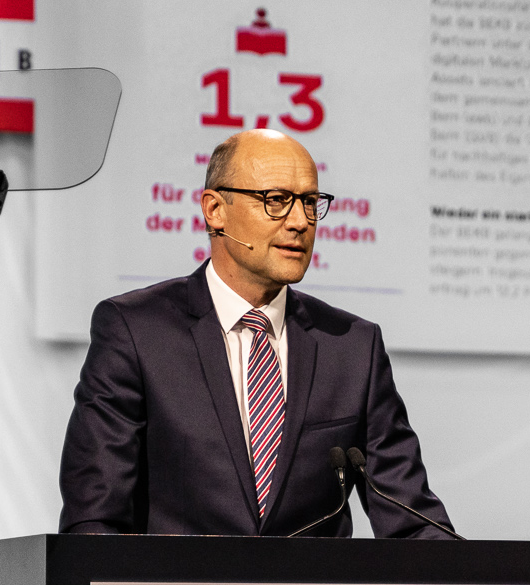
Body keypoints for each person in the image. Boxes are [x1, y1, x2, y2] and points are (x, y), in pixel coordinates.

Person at [58, 129, 455, 538]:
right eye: (276, 201)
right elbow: (94, 519)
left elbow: (413, 522)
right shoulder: (136, 332)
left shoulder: (353, 347)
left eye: (310, 203)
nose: (300, 222)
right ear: (215, 210)